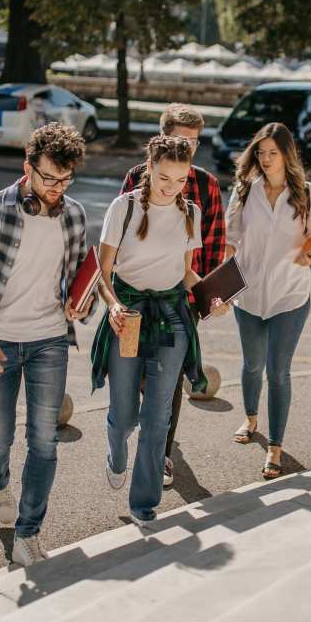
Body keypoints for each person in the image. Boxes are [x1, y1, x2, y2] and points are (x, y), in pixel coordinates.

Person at [0, 123, 96, 566]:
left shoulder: (74, 215)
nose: (55, 189)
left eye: (65, 180)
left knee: (44, 442)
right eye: (48, 178)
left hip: (49, 340)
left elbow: (76, 284)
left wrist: (80, 307)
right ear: (27, 167)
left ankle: (28, 533)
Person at [92, 135, 229, 526]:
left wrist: (211, 297)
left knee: (157, 417)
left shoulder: (191, 213)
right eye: (164, 178)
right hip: (129, 314)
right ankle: (116, 452)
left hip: (171, 316)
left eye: (181, 179)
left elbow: (186, 273)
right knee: (123, 415)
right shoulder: (124, 207)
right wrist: (115, 305)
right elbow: (103, 272)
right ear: (148, 168)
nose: (172, 187)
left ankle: (144, 505)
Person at [119, 103, 226, 487]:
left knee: (170, 376)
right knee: (134, 375)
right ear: (161, 140)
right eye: (182, 139)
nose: (190, 147)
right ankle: (130, 435)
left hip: (181, 298)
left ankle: (161, 453)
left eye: (195, 141)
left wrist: (207, 299)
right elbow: (119, 241)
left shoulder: (207, 185)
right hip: (134, 297)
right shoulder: (135, 178)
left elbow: (214, 247)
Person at [225, 122, 311, 480]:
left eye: (273, 153)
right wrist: (219, 287)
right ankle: (251, 418)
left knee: (278, 371)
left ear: (287, 154)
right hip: (248, 295)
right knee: (252, 365)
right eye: (261, 153)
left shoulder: (308, 194)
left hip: (291, 296)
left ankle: (275, 446)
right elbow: (231, 240)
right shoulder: (243, 191)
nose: (266, 160)